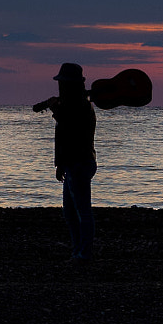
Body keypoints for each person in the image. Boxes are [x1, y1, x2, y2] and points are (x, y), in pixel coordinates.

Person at [49, 62, 97, 261]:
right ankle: (78, 250)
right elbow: (64, 137)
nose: (60, 87)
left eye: (63, 83)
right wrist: (60, 163)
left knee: (82, 210)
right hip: (72, 164)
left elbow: (71, 131)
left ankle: (84, 252)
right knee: (70, 213)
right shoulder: (72, 105)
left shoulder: (82, 107)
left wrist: (56, 111)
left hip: (80, 163)